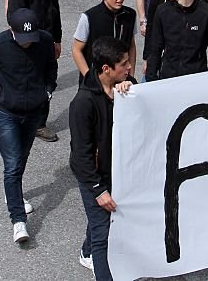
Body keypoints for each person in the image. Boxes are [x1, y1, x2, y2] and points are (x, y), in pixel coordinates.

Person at [0, 8, 59, 245]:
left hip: (34, 111)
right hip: (7, 113)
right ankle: (18, 220)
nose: (27, 44)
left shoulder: (43, 40)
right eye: (23, 39)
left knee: (22, 157)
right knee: (12, 164)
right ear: (11, 30)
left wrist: (48, 90)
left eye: (30, 39)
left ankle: (12, 191)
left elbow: (51, 66)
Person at [69, 37, 135, 279]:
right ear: (106, 69)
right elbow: (81, 155)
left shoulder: (126, 87)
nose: (129, 68)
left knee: (99, 222)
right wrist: (98, 191)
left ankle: (85, 252)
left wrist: (129, 90)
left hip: (118, 171)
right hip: (94, 179)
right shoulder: (83, 104)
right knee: (103, 235)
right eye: (124, 64)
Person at [7, 0, 63, 142]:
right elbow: (13, 14)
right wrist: (23, 41)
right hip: (28, 41)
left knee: (47, 83)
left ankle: (40, 124)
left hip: (48, 40)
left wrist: (57, 39)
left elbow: (54, 10)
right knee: (26, 83)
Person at [72, 0, 138, 77]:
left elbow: (131, 46)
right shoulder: (89, 17)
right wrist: (89, 77)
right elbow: (76, 49)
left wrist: (131, 73)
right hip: (96, 82)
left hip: (121, 81)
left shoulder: (130, 15)